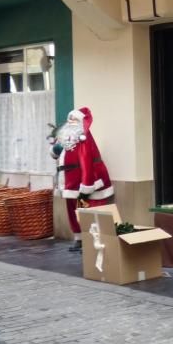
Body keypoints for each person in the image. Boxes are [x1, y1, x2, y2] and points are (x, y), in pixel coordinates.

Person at [50, 107, 114, 252]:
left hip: (87, 181)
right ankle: (79, 239)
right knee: (73, 210)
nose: (70, 121)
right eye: (69, 119)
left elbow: (86, 162)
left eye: (74, 119)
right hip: (70, 182)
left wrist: (86, 186)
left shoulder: (83, 138)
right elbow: (57, 155)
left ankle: (93, 241)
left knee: (89, 211)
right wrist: (56, 149)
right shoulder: (65, 138)